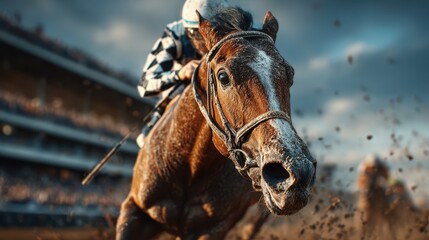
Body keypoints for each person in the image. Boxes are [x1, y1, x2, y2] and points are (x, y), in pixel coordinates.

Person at [136, 0, 230, 147]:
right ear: (189, 30)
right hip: (177, 94)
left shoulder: (230, 37)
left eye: (215, 32)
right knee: (147, 141)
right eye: (199, 34)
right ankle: (156, 121)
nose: (207, 41)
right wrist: (180, 74)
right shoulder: (175, 34)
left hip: (218, 100)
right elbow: (144, 85)